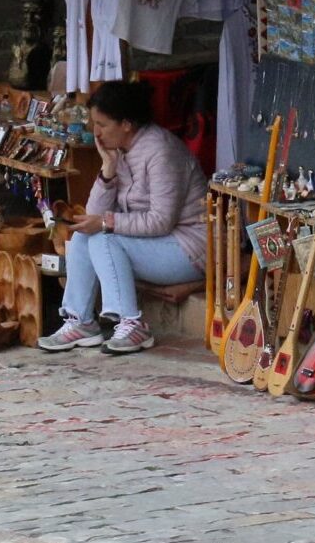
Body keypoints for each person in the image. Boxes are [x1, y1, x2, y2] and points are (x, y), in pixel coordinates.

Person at [43, 80, 208, 356]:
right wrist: (107, 170)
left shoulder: (160, 151)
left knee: (104, 239)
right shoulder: (118, 150)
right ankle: (81, 321)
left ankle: (131, 323)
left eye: (102, 125)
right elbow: (94, 216)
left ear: (127, 124)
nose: (96, 133)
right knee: (86, 234)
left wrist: (109, 223)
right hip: (157, 244)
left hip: (190, 248)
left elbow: (160, 221)